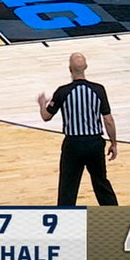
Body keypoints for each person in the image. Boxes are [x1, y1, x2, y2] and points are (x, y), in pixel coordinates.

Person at [37, 52, 118, 207]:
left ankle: (65, 222)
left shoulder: (62, 92)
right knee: (101, 183)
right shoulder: (99, 90)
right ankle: (116, 218)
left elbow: (46, 116)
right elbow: (108, 120)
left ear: (69, 69)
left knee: (68, 186)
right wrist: (114, 143)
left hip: (73, 145)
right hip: (94, 143)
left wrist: (42, 104)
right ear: (86, 67)